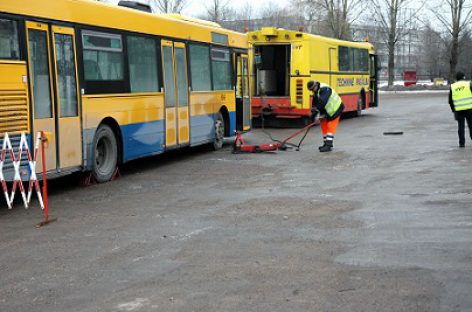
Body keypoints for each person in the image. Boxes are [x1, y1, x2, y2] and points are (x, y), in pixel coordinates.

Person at [307, 80, 345, 152]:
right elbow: (314, 105)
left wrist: (317, 110)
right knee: (323, 124)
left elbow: (322, 101)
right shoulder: (316, 92)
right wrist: (313, 116)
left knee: (331, 125)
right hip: (328, 111)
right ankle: (325, 143)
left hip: (336, 109)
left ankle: (328, 145)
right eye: (311, 90)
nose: (312, 91)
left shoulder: (325, 89)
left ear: (316, 85)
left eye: (312, 89)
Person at [449, 71, 472, 147]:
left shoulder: (453, 86)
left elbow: (450, 100)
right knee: (471, 125)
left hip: (459, 109)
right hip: (469, 108)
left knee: (461, 126)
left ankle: (462, 143)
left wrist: (453, 110)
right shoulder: (468, 84)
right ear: (464, 77)